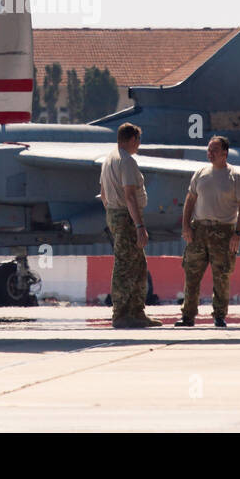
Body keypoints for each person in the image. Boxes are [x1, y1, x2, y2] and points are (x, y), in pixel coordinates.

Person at [176, 136, 240, 328]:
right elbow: (190, 201)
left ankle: (219, 315)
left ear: (225, 153)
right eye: (209, 150)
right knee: (191, 274)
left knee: (221, 276)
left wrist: (237, 234)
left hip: (223, 232)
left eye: (214, 150)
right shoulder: (200, 173)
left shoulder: (236, 177)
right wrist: (185, 226)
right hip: (199, 230)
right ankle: (188, 316)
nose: (210, 154)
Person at [100, 122, 160, 328]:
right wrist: (139, 226)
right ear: (133, 139)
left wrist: (112, 213)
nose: (139, 144)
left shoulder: (109, 159)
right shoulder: (126, 161)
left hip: (116, 215)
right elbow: (130, 195)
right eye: (138, 140)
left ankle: (136, 312)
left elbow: (103, 193)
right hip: (126, 217)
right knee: (125, 266)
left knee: (137, 265)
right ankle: (121, 313)